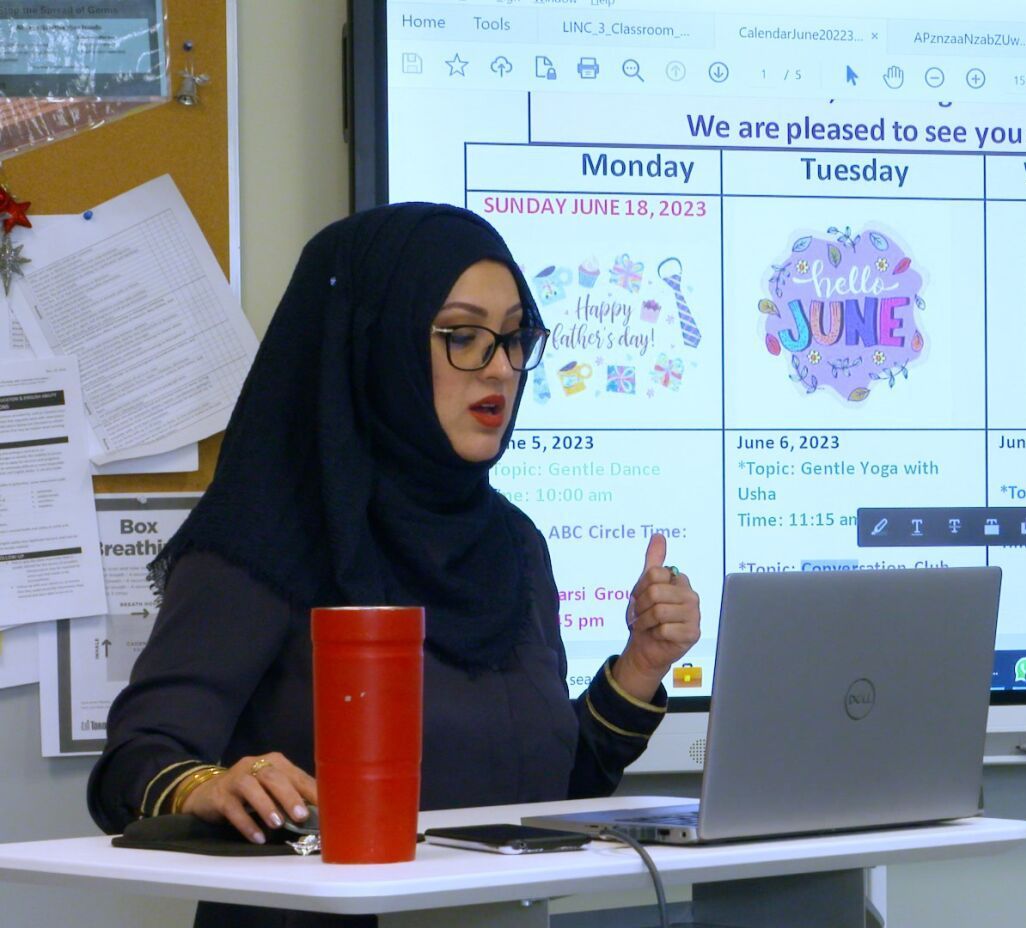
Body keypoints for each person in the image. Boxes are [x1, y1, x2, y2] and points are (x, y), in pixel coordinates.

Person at [87, 203, 701, 927]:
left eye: (514, 338)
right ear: (377, 343)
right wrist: (211, 785)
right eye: (462, 337)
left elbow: (546, 796)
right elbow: (134, 762)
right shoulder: (268, 537)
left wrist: (641, 666)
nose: (501, 368)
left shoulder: (513, 545)